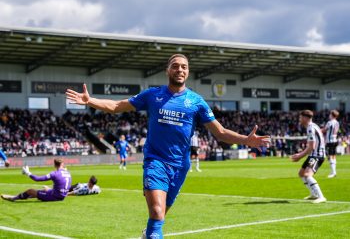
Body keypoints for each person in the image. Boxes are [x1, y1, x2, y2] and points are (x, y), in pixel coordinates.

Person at [66, 54, 270, 239]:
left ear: (188, 71)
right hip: (156, 161)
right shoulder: (153, 95)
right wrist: (90, 100)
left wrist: (246, 140)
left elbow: (220, 132)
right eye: (175, 66)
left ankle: (148, 234)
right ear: (167, 70)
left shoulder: (196, 101)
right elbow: (117, 107)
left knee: (160, 215)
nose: (180, 70)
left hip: (180, 166)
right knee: (156, 212)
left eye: (184, 67)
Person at [291, 110, 326, 204]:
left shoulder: (310, 128)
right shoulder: (314, 126)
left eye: (301, 117)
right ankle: (313, 194)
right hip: (313, 154)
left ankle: (321, 196)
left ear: (306, 118)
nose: (299, 119)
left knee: (307, 175)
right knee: (301, 173)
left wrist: (299, 155)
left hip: (317, 155)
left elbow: (312, 147)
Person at [1, 158, 71, 202]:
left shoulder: (54, 173)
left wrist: (28, 173)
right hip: (62, 196)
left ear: (55, 165)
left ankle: (14, 198)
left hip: (55, 197)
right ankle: (27, 196)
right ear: (63, 165)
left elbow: (37, 179)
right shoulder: (68, 172)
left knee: (30, 191)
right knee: (45, 189)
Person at [322, 110, 340, 178]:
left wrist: (316, 130)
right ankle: (333, 171)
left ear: (332, 115)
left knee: (330, 156)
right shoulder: (337, 122)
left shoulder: (330, 122)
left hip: (330, 141)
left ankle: (333, 172)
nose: (329, 115)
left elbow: (324, 130)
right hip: (335, 140)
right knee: (333, 156)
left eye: (330, 114)